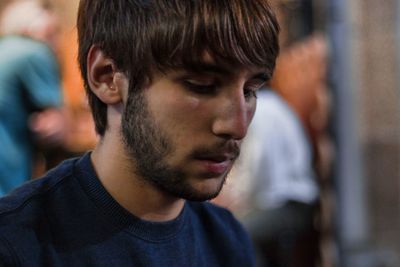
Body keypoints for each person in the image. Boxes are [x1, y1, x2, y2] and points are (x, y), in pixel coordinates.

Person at [0, 0, 280, 265]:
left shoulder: (227, 239)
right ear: (107, 76)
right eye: (202, 85)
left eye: (250, 90)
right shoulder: (16, 244)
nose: (237, 126)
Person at [218, 89, 319, 267]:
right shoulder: (275, 105)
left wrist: (238, 198)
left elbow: (256, 162)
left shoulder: (260, 111)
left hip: (291, 203)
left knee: (239, 233)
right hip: (286, 200)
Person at [0, 0, 64, 195]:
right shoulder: (35, 51)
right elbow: (58, 127)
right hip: (9, 183)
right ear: (30, 28)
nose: (57, 44)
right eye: (52, 33)